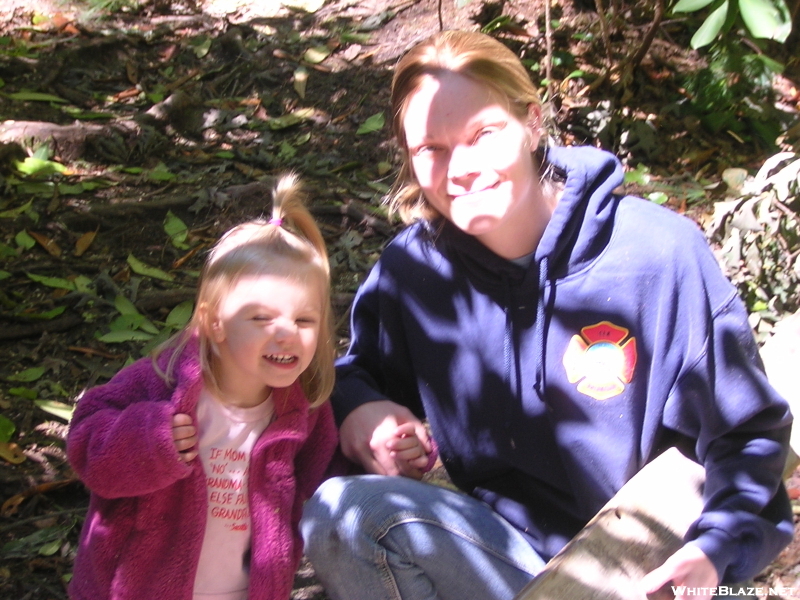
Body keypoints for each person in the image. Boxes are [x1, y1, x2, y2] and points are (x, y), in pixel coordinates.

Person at [299, 30, 794, 600]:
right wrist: (363, 411)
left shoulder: (657, 256)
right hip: (507, 559)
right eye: (430, 149)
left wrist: (713, 549)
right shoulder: (415, 273)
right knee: (349, 514)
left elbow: (748, 433)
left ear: (533, 123)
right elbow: (350, 375)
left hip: (645, 571)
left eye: (482, 134)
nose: (459, 168)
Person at [66, 174, 339, 600]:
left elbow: (326, 478)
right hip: (141, 589)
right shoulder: (162, 381)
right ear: (215, 323)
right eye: (262, 318)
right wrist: (150, 439)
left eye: (304, 320)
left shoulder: (302, 408)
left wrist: (394, 456)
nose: (287, 333)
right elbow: (86, 444)